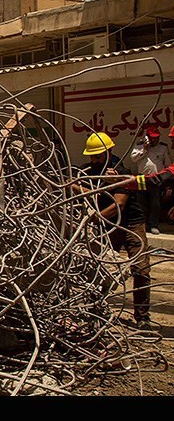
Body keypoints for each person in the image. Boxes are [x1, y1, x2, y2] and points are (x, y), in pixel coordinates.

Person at [74, 132, 151, 331]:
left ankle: (142, 317)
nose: (94, 160)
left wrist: (92, 217)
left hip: (131, 225)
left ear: (109, 152)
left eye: (98, 156)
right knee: (101, 268)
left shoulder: (120, 171)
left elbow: (118, 204)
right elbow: (71, 185)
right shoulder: (88, 171)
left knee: (140, 269)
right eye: (92, 156)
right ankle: (96, 309)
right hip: (108, 227)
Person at [130, 126, 171, 235]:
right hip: (142, 178)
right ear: (147, 137)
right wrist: (145, 149)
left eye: (157, 138)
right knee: (141, 202)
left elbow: (168, 164)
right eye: (153, 138)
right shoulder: (139, 147)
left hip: (156, 179)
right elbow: (133, 159)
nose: (155, 140)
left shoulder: (163, 148)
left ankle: (153, 225)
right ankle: (143, 224)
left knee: (155, 203)